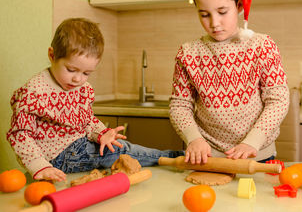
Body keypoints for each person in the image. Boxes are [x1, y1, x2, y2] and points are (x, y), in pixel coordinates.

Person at [7, 18, 183, 182]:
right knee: (122, 150)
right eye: (71, 69)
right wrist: (39, 166)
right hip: (57, 156)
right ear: (52, 55)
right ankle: (176, 157)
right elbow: (19, 134)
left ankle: (177, 157)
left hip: (77, 147)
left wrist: (102, 133)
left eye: (86, 73)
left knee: (118, 147)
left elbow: (87, 121)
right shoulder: (34, 91)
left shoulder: (82, 89)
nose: (78, 79)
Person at [169, 0, 289, 165]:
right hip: (207, 157)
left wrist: (253, 142)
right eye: (204, 14)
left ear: (239, 6)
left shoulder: (262, 46)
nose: (215, 23)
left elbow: (278, 100)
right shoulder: (188, 53)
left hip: (257, 155)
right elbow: (179, 106)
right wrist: (193, 138)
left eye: (222, 11)